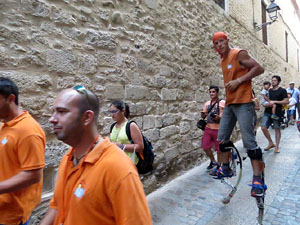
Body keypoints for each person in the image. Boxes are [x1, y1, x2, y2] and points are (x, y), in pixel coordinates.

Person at [41, 86, 152, 225]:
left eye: (62, 112)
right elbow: (57, 205)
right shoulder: (67, 159)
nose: (52, 119)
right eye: (53, 112)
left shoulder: (120, 171)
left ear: (87, 117)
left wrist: (121, 147)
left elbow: (139, 146)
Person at [211, 32, 266, 198]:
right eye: (216, 43)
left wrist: (239, 81)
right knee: (221, 140)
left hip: (243, 103)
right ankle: (226, 167)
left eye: (222, 41)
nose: (220, 45)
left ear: (227, 41)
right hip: (230, 103)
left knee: (249, 142)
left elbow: (259, 68)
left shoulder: (238, 54)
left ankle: (258, 179)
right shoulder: (222, 60)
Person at [0, 77, 46, 225]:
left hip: (12, 216)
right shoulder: (5, 126)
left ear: (10, 98)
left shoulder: (28, 130)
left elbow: (33, 175)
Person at [109, 100, 144, 165]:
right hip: (116, 163)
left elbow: (140, 146)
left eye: (114, 112)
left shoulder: (131, 125)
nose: (112, 115)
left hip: (130, 163)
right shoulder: (113, 126)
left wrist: (121, 146)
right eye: (110, 112)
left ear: (123, 111)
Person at [261, 76, 288, 153]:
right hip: (267, 112)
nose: (272, 82)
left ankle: (277, 146)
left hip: (277, 113)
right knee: (263, 127)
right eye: (272, 80)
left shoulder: (282, 90)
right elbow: (264, 100)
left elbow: (286, 101)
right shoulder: (268, 91)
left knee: (277, 129)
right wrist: (265, 104)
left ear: (278, 82)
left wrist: (274, 102)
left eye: (275, 80)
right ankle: (270, 143)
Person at [201, 85, 225, 171]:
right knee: (205, 146)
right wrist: (203, 114)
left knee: (219, 149)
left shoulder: (223, 102)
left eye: (213, 92)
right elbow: (203, 116)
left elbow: (227, 116)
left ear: (217, 92)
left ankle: (219, 165)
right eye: (210, 92)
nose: (211, 93)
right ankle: (213, 161)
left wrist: (220, 117)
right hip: (208, 128)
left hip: (219, 129)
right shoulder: (207, 104)